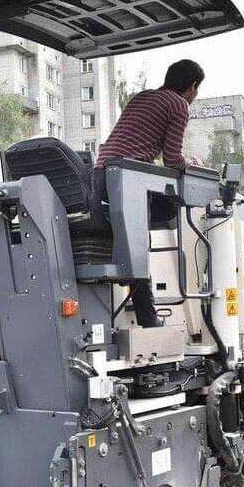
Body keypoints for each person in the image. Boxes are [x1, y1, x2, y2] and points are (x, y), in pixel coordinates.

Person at [93, 59, 204, 327]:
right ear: (192, 87)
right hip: (127, 181)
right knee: (158, 221)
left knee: (135, 235)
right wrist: (190, 161)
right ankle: (149, 319)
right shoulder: (179, 105)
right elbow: (172, 161)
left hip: (100, 177)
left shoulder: (142, 97)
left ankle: (134, 275)